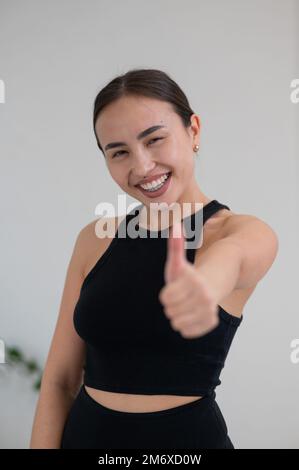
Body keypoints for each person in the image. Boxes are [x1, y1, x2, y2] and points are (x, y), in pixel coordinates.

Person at [30, 68, 279, 449]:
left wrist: (204, 284)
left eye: (155, 139)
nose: (142, 166)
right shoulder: (95, 239)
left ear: (193, 130)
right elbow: (60, 380)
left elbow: (232, 259)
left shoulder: (239, 232)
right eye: (119, 152)